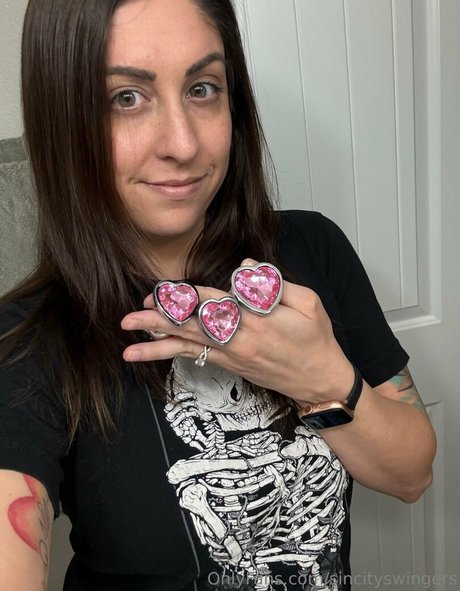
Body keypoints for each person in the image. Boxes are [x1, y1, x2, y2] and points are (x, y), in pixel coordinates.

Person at [0, 0, 436, 589]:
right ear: (63, 120)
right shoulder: (26, 343)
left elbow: (413, 475)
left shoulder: (312, 248)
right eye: (125, 98)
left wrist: (320, 377)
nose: (183, 145)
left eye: (203, 88)